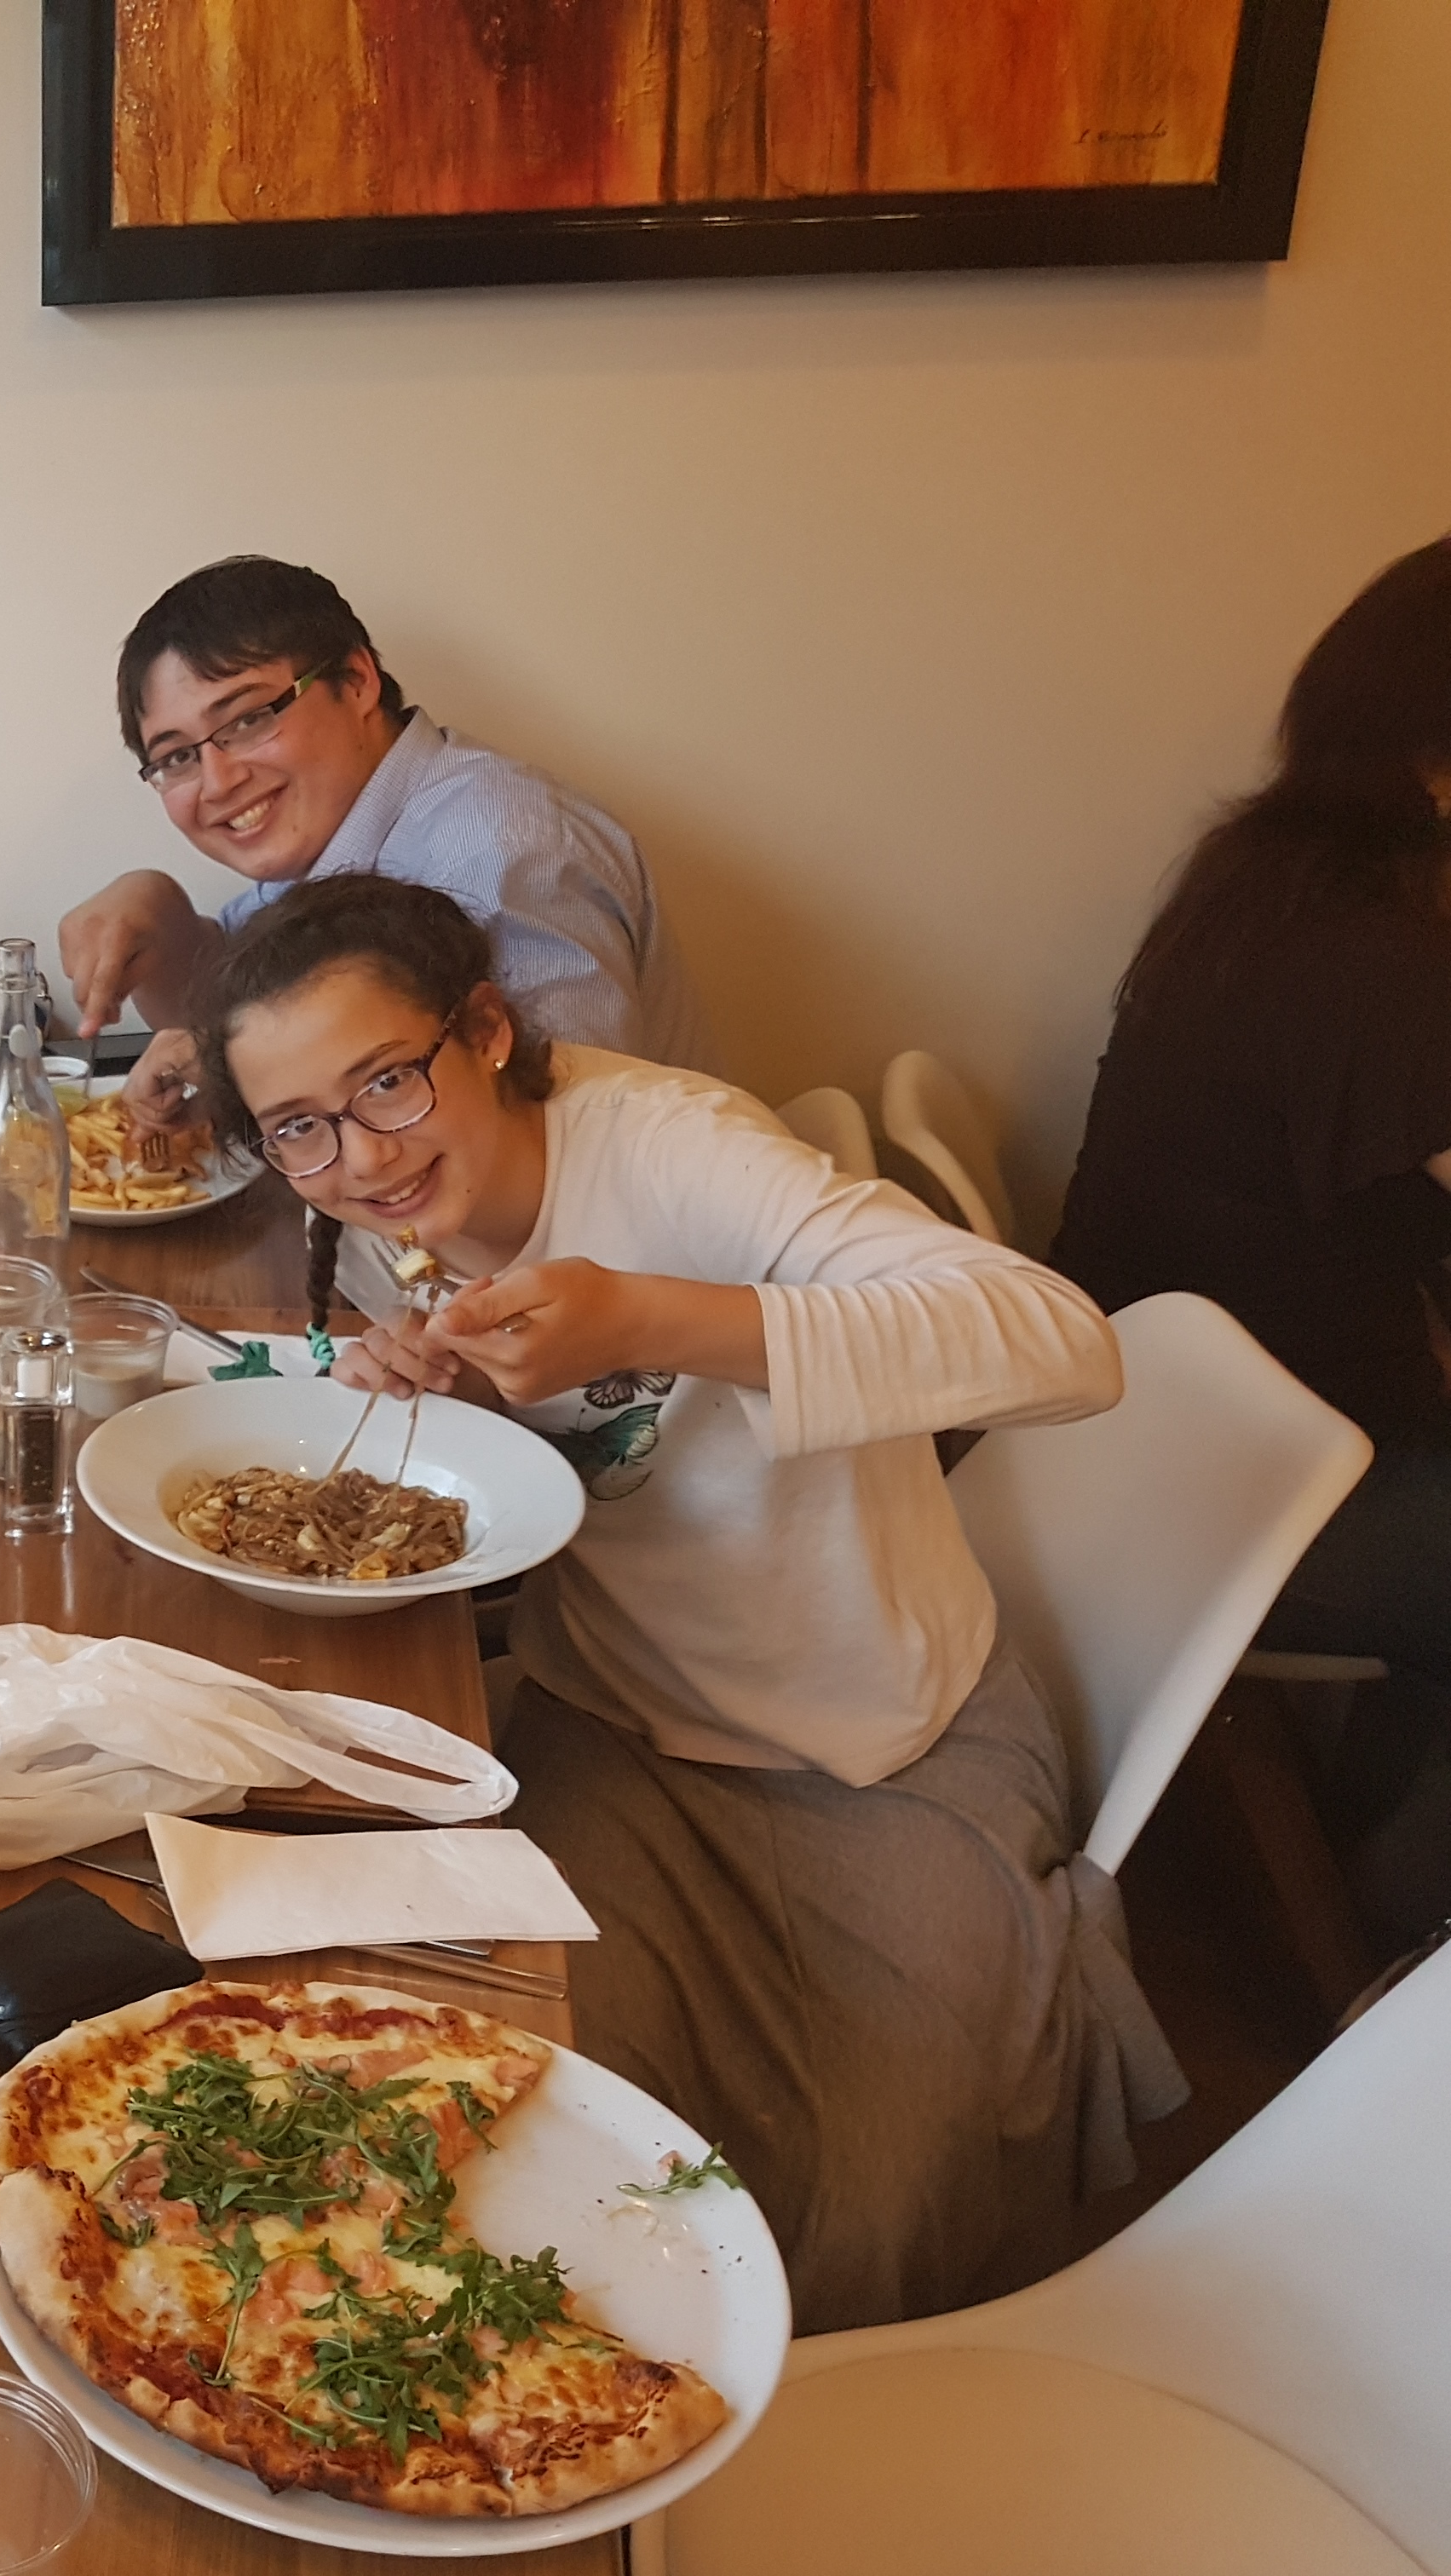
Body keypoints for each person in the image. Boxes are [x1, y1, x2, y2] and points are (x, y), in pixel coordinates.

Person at [198, 875, 1179, 2330]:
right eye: (300, 1126)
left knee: (872, 2213)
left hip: (872, 1744)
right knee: (509, 2137)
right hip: (619, 1728)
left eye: (388, 1080)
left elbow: (1062, 1340)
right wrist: (451, 1396)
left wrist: (650, 1314)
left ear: (485, 1030)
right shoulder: (387, 1219)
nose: (361, 1154)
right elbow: (553, 1469)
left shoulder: (672, 1146)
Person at [1053, 536, 1451, 1949]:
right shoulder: (1382, 966)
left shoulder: (1263, 881)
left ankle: (1377, 1864)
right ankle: (1406, 1959)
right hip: (1222, 1493)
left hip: (1137, 1442)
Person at [60, 555, 711, 1139]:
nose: (218, 781)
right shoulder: (328, 838)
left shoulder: (504, 853)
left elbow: (568, 1137)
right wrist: (156, 910)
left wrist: (237, 1062)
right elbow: (228, 1007)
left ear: (357, 680)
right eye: (177, 757)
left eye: (250, 719)